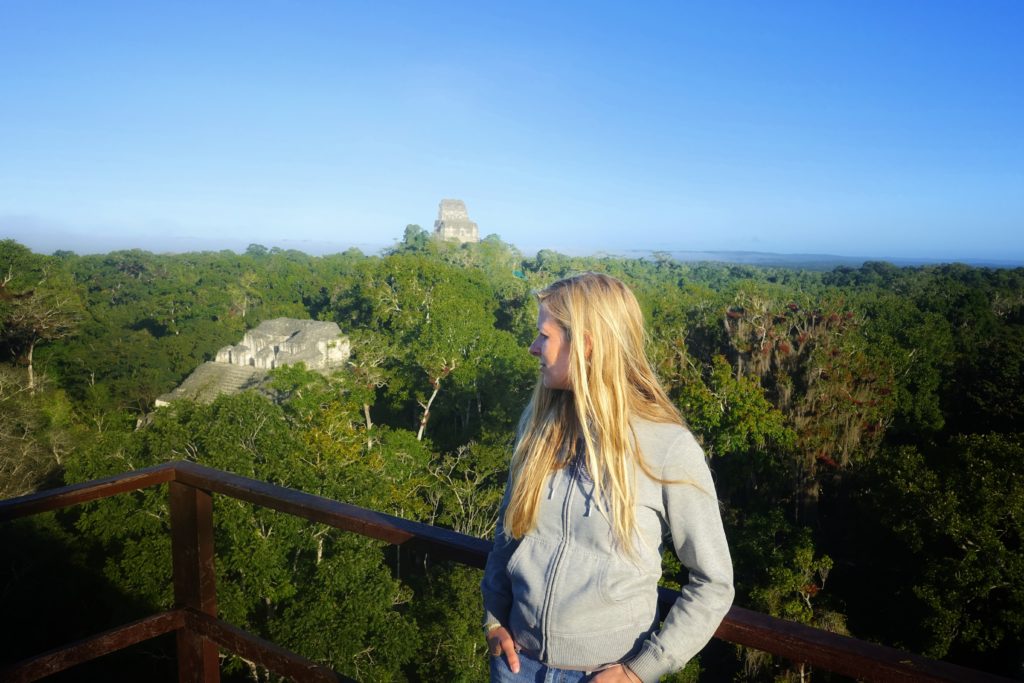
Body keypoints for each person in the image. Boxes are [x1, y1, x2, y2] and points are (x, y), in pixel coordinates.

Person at [481, 272, 734, 683]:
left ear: (586, 343)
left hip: (602, 676)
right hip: (516, 666)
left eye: (544, 335)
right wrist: (494, 620)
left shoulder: (667, 446)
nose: (533, 347)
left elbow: (714, 582)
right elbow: (508, 536)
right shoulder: (539, 426)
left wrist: (640, 672)